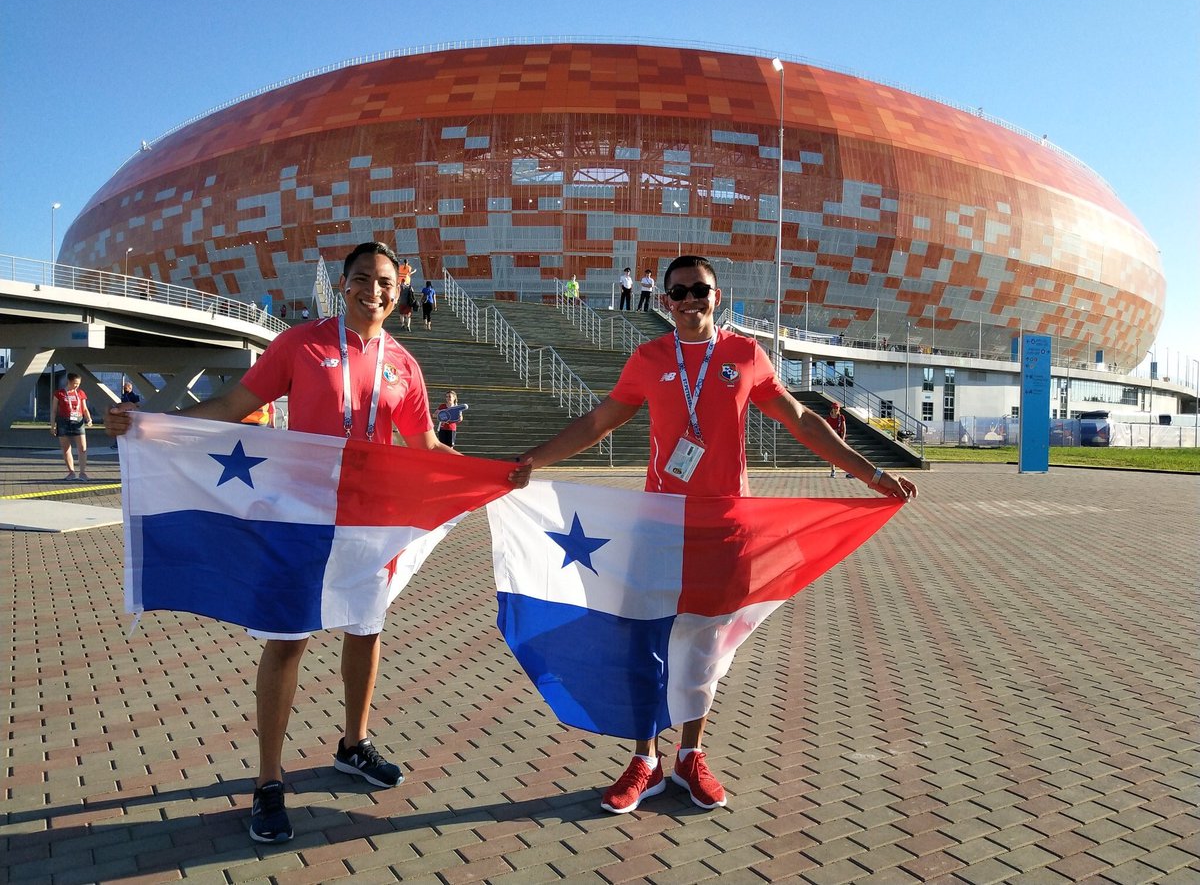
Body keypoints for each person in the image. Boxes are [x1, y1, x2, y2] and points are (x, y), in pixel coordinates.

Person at [509, 255, 917, 815]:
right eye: (678, 293)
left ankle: (690, 754)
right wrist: (532, 457)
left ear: (716, 296)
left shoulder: (745, 355)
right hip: (659, 525)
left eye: (699, 290)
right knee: (647, 642)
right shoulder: (649, 358)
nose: (689, 301)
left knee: (705, 647)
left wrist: (871, 475)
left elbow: (800, 420)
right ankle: (646, 761)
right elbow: (598, 422)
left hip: (724, 528)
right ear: (664, 301)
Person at [105, 242, 458, 845]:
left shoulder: (403, 363)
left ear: (399, 291)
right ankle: (269, 780)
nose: (374, 290)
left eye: (385, 282)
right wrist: (154, 424)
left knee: (365, 630)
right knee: (288, 640)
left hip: (368, 520)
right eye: (363, 279)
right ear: (343, 284)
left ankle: (354, 744)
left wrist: (488, 473)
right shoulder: (302, 344)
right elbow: (235, 404)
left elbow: (424, 447)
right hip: (301, 516)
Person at [51, 373, 93, 481]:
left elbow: (84, 409)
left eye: (78, 384)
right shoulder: (59, 393)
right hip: (63, 422)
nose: (77, 386)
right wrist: (52, 425)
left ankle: (82, 473)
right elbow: (54, 411)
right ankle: (71, 472)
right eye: (75, 383)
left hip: (78, 421)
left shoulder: (80, 393)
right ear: (69, 381)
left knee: (82, 448)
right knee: (66, 449)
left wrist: (89, 419)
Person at [824, 401, 852, 478]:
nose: (835, 409)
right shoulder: (829, 418)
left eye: (837, 408)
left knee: (843, 455)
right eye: (834, 408)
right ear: (832, 409)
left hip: (839, 438)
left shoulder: (841, 417)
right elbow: (827, 428)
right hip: (832, 438)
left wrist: (843, 438)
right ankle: (833, 471)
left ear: (839, 409)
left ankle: (850, 471)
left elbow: (844, 428)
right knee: (831, 455)